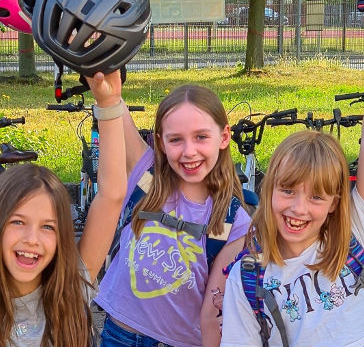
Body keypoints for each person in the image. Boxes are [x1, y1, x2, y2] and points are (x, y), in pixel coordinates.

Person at [219, 11, 364, 347]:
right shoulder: (248, 278)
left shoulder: (356, 232)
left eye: (317, 197)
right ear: (268, 187)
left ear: (335, 202)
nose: (299, 208)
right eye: (287, 190)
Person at [0, 71, 131, 347]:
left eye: (47, 227)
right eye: (18, 222)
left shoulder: (70, 290)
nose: (32, 238)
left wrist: (108, 102)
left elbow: (112, 194)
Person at [92, 79, 253, 347]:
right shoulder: (146, 177)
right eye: (176, 139)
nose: (189, 151)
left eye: (201, 137)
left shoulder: (234, 223)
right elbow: (112, 104)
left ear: (224, 137)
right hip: (117, 336)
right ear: (161, 143)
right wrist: (102, 76)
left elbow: (213, 312)